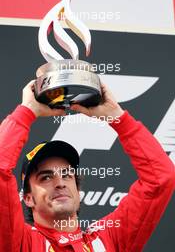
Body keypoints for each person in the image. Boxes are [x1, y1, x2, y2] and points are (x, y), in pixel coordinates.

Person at [0, 79, 174, 252]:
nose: (60, 183)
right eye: (46, 177)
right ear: (28, 198)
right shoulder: (20, 242)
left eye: (67, 175)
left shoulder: (109, 239)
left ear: (77, 190)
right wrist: (26, 112)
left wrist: (117, 117)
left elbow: (160, 179)